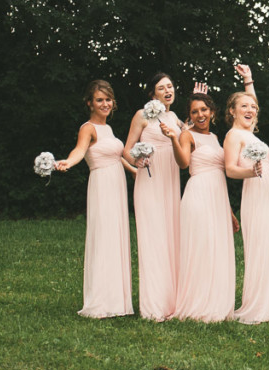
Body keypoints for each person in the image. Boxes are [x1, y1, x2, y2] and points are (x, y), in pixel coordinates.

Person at [55, 79, 134, 318]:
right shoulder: (87, 128)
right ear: (89, 103)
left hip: (117, 183)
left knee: (117, 235)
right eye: (99, 100)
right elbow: (80, 150)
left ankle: (117, 300)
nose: (105, 104)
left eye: (108, 99)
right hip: (102, 185)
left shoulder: (108, 129)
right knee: (104, 236)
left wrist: (134, 171)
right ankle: (101, 300)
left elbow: (116, 154)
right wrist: (68, 162)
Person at [223, 69, 269, 324]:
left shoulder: (251, 134)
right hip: (255, 193)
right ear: (232, 111)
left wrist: (248, 81)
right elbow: (229, 169)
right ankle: (261, 304)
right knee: (261, 246)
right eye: (244, 107)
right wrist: (250, 171)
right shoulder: (233, 136)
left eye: (253, 107)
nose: (250, 109)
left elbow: (253, 104)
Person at [172, 91, 240, 322]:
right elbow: (183, 163)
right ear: (189, 115)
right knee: (201, 246)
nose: (200, 115)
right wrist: (174, 138)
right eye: (194, 111)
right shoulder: (186, 135)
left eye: (204, 110)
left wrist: (229, 211)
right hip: (198, 194)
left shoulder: (215, 138)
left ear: (212, 112)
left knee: (217, 248)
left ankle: (216, 301)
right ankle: (196, 304)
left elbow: (221, 172)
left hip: (218, 197)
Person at [122, 72, 183, 321]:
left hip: (171, 181)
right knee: (153, 239)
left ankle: (174, 301)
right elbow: (125, 150)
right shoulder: (142, 115)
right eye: (161, 87)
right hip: (150, 181)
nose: (168, 91)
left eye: (170, 86)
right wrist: (138, 162)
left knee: (172, 238)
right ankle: (154, 305)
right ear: (152, 94)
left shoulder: (174, 117)